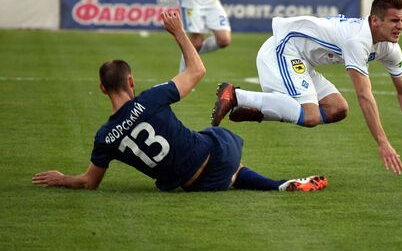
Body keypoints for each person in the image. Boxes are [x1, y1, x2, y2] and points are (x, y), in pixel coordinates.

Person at [32, 10, 327, 193]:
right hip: (215, 155)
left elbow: (89, 182)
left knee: (217, 165)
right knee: (215, 135)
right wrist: (179, 33)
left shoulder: (104, 138)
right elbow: (197, 70)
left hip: (191, 185)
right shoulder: (150, 99)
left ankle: (278, 184)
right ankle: (275, 177)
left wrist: (62, 178)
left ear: (101, 89)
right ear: (131, 82)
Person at [211, 0, 402, 175]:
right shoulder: (357, 41)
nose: (400, 26)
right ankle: (237, 95)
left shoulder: (389, 47)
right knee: (310, 116)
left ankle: (258, 111)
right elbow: (364, 95)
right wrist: (383, 142)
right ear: (375, 20)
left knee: (337, 109)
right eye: (394, 20)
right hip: (283, 49)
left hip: (303, 59)